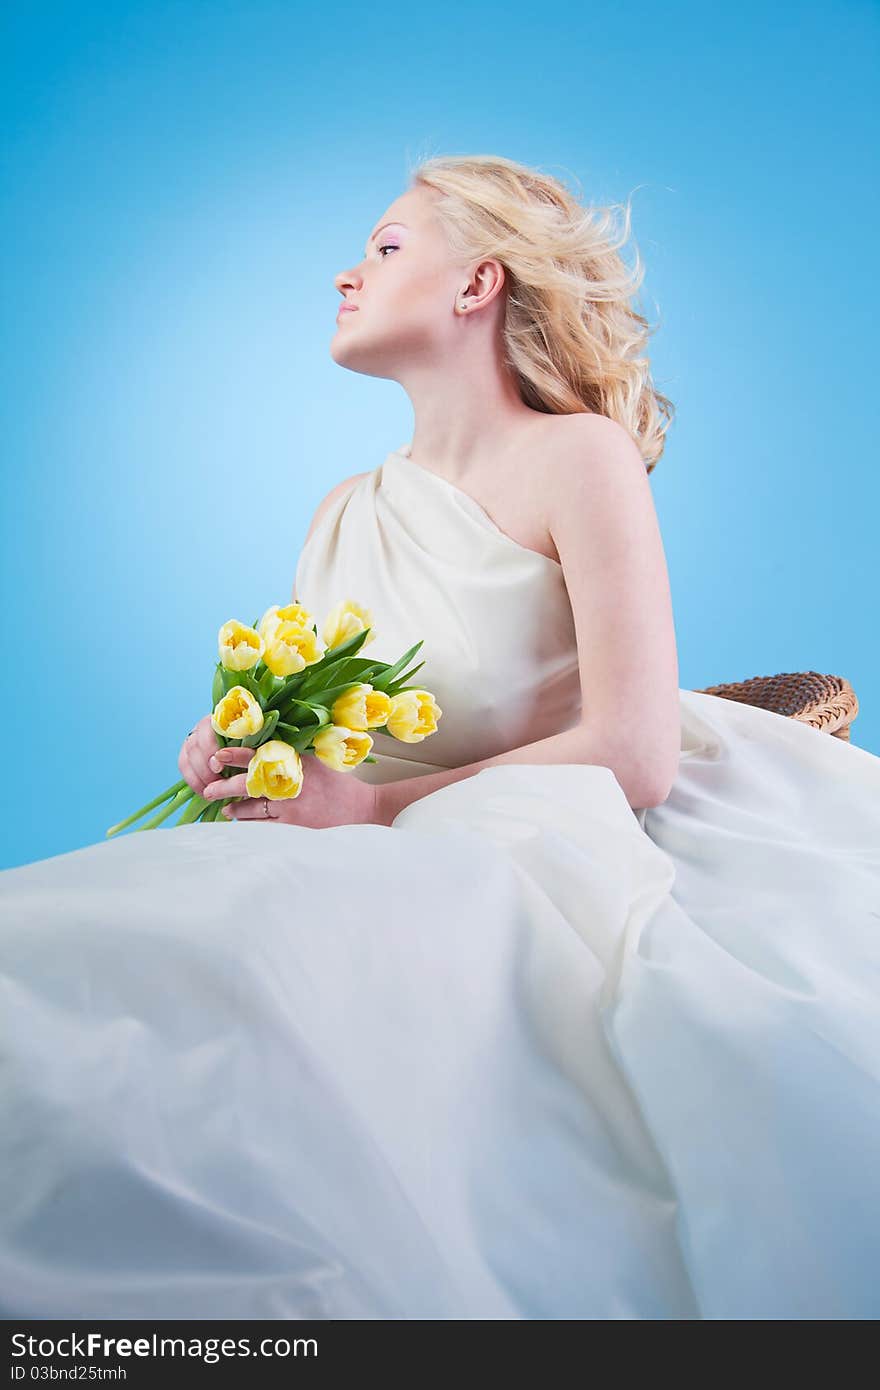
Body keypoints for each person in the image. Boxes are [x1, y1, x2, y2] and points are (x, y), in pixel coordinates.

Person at [1, 153, 879, 1321]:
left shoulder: (576, 460)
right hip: (361, 851)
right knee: (91, 964)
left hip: (517, 853)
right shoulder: (340, 511)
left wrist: (369, 809)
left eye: (384, 247)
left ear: (476, 284)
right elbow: (336, 732)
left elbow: (633, 750)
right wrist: (241, 748)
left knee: (234, 978)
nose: (347, 271)